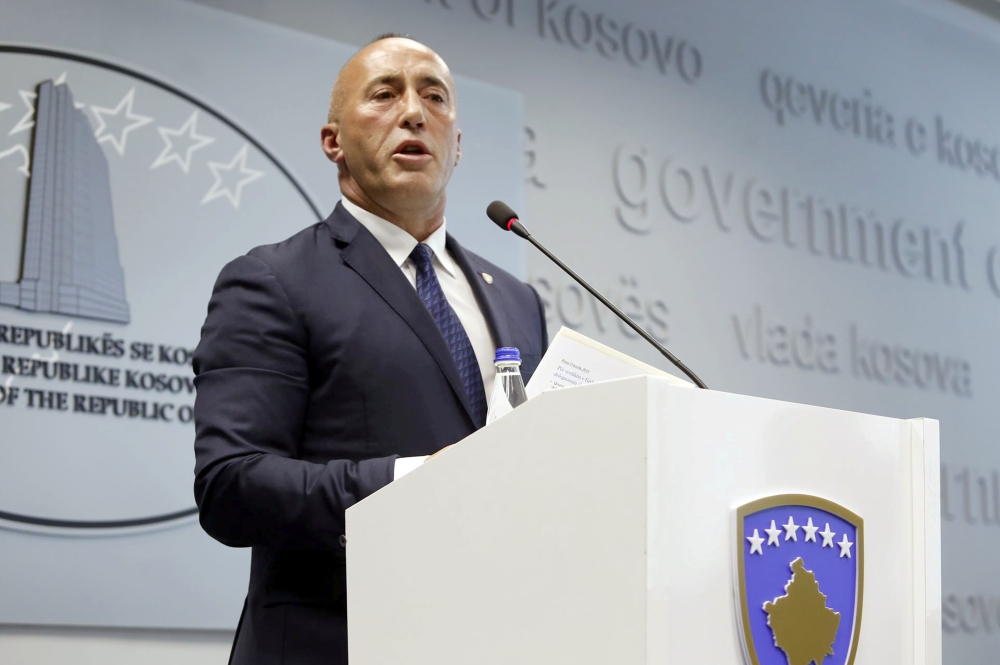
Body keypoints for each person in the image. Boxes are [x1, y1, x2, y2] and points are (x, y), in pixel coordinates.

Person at [192, 34, 548, 665]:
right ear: (334, 142)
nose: (414, 112)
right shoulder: (273, 280)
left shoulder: (519, 300)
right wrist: (408, 482)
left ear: (457, 145)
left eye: (434, 98)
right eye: (385, 94)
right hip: (335, 643)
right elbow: (232, 485)